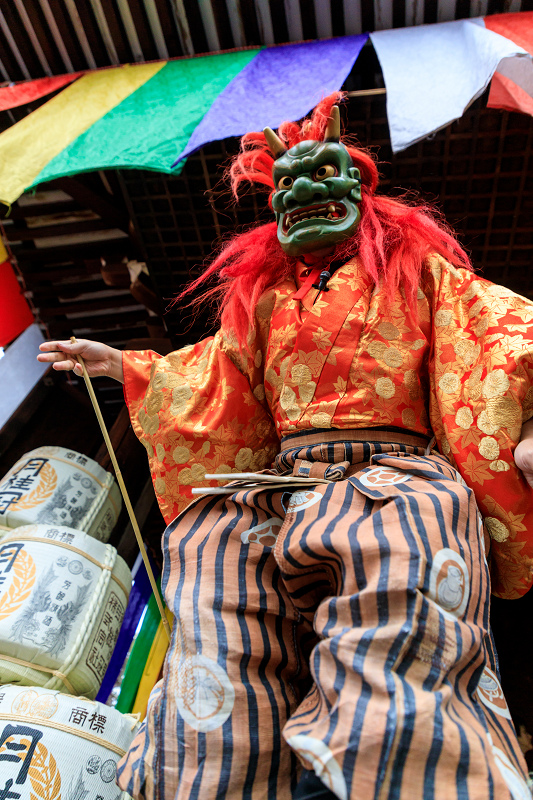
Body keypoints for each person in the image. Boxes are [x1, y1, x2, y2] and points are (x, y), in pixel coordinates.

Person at [38, 94, 533, 800]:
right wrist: (129, 366)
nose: (303, 190)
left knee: (405, 569)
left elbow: (500, 336)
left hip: (394, 473)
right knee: (211, 564)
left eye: (323, 172)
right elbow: (214, 374)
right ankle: (217, 768)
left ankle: (390, 767)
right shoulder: (264, 300)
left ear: (362, 188)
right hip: (279, 483)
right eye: (287, 185)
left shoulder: (422, 276)